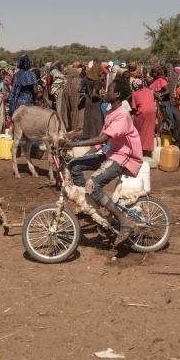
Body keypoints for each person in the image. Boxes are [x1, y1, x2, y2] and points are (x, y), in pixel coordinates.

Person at [63, 76, 143, 246]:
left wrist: (73, 143)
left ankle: (124, 221)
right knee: (74, 166)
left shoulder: (122, 115)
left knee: (93, 184)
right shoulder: (110, 112)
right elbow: (101, 142)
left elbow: (103, 137)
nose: (105, 92)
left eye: (109, 90)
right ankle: (91, 206)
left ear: (117, 94)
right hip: (111, 153)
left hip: (123, 157)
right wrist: (81, 155)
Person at [131, 78, 156, 155]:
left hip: (143, 112)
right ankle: (148, 150)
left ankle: (141, 149)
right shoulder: (149, 90)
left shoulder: (134, 93)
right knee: (149, 130)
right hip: (152, 111)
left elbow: (134, 108)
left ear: (135, 87)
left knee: (139, 130)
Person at [8, 55, 38, 119]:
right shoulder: (31, 75)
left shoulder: (16, 75)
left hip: (18, 102)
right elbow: (35, 91)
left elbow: (13, 89)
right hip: (29, 101)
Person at [81, 62, 105, 138]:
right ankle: (97, 137)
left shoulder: (85, 78)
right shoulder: (96, 80)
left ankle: (87, 135)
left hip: (88, 101)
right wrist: (102, 98)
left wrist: (86, 94)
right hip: (95, 103)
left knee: (89, 119)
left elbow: (80, 89)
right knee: (97, 120)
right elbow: (94, 94)